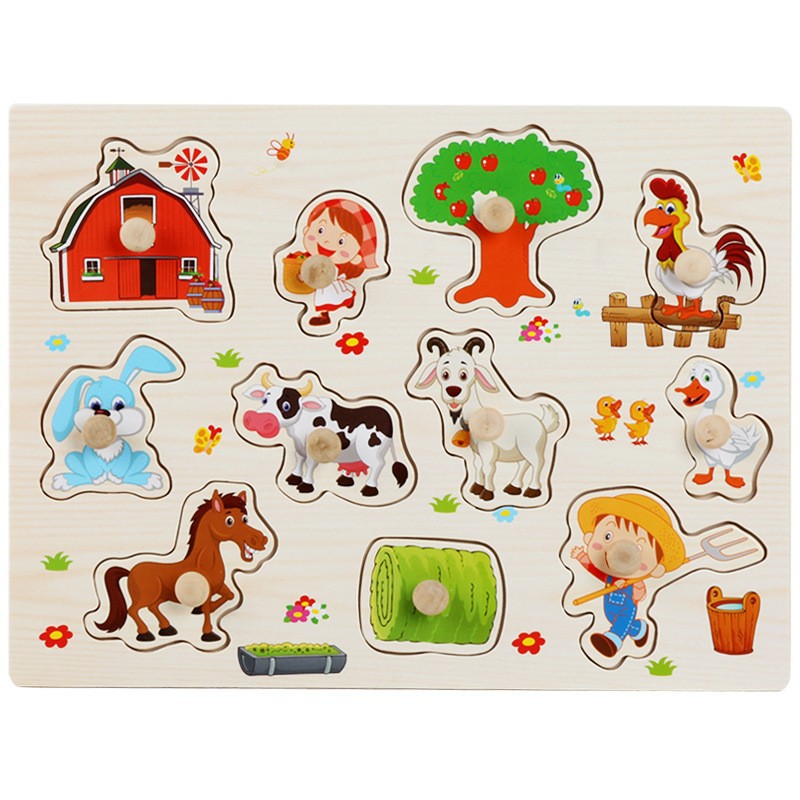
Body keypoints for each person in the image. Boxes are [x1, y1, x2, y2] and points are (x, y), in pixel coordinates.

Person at [570, 492, 686, 657]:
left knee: (622, 622)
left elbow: (639, 595)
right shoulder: (609, 574)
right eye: (607, 536)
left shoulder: (636, 580)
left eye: (640, 547)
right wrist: (582, 557)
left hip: (626, 607)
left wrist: (632, 586)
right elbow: (596, 571)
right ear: (590, 537)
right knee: (618, 621)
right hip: (609, 609)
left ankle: (613, 641)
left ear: (657, 567)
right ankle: (639, 629)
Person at [300, 198, 379, 326]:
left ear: (357, 254)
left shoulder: (333, 266)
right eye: (320, 230)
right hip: (323, 283)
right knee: (335, 295)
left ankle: (325, 316)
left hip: (327, 284)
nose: (326, 242)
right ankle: (344, 302)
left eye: (341, 241)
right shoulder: (309, 258)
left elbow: (325, 274)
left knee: (327, 299)